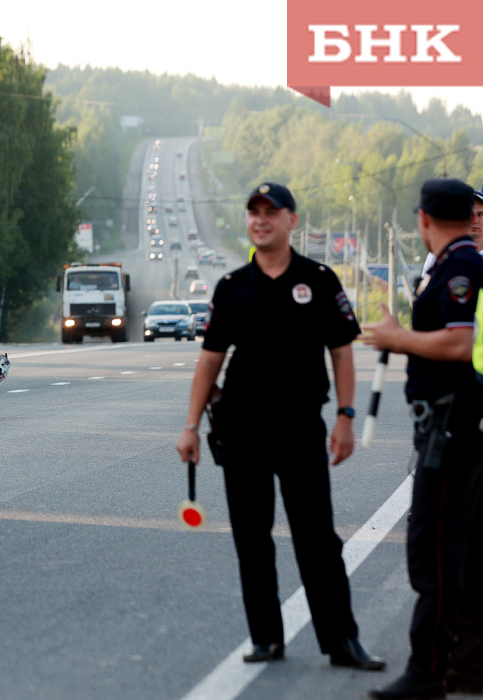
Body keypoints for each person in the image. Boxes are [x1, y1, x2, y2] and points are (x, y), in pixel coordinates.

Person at [176, 183, 385, 671]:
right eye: (253, 212)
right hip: (242, 434)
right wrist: (189, 426)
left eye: (272, 212)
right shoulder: (233, 287)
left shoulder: (319, 278)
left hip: (300, 433)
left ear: (292, 220)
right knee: (252, 538)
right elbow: (209, 362)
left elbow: (341, 352)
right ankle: (266, 637)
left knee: (318, 540)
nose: (261, 219)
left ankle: (342, 641)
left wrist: (346, 417)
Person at [361, 178, 483, 700]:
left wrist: (395, 338)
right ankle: (464, 664)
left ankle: (427, 670)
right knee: (454, 547)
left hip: (452, 426)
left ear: (424, 219)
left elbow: (459, 344)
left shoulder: (460, 267)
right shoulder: (452, 263)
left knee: (432, 550)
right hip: (447, 423)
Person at [417, 188, 483, 277]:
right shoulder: (439, 255)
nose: (475, 220)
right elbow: (426, 288)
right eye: (469, 214)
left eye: (481, 214)